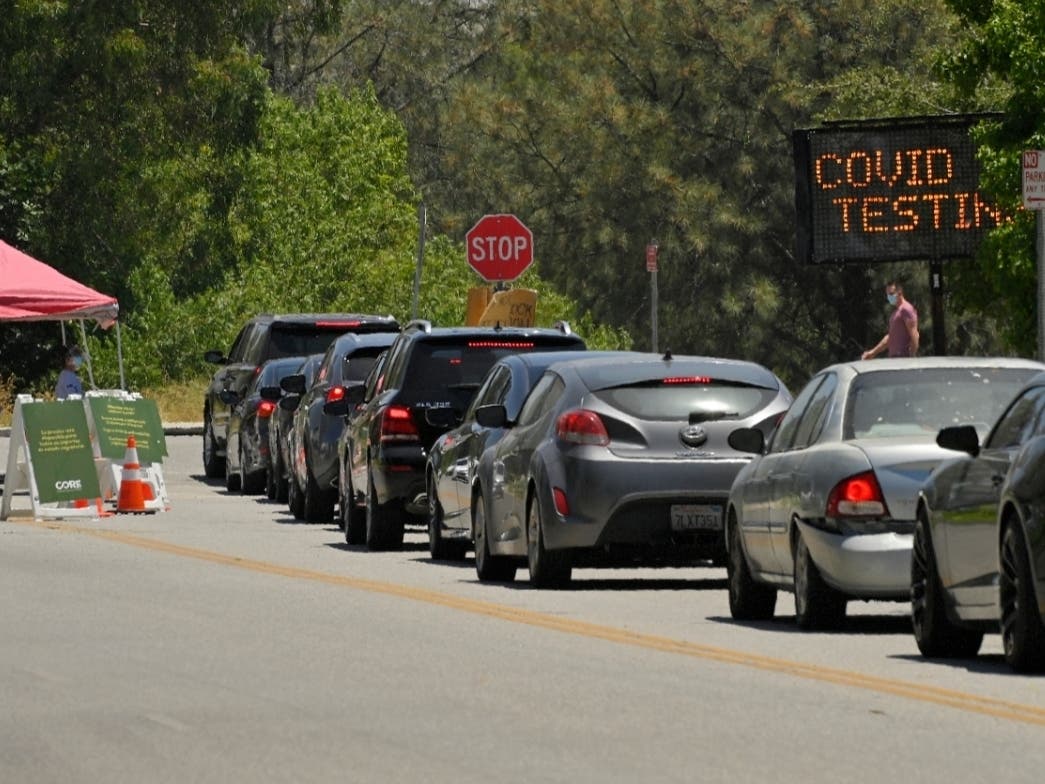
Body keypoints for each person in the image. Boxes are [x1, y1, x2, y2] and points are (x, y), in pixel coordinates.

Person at [862, 280, 919, 359]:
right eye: (887, 294)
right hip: (894, 359)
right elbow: (890, 338)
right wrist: (872, 353)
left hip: (904, 360)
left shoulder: (906, 309)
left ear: (899, 292)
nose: (889, 297)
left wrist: (911, 358)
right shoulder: (896, 313)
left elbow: (915, 336)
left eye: (891, 294)